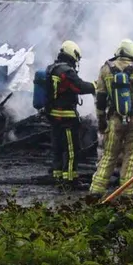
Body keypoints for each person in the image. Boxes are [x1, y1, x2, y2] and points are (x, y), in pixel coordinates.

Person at [89, 38, 133, 197]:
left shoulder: (105, 70)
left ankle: (96, 189)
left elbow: (100, 99)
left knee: (109, 154)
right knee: (131, 156)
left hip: (114, 120)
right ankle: (127, 193)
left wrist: (101, 122)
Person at [44, 40, 96, 186]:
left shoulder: (51, 68)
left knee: (57, 148)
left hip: (53, 116)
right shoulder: (66, 71)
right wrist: (96, 86)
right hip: (66, 117)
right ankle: (71, 179)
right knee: (72, 149)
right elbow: (79, 87)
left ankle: (58, 176)